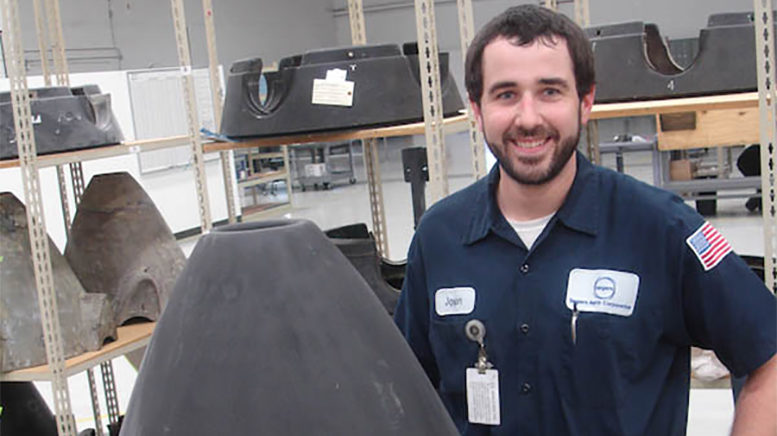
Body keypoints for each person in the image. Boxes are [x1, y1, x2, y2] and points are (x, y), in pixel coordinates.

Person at [394, 5, 777, 435]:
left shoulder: (661, 229)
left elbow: (767, 356)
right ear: (477, 110)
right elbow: (406, 388)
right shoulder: (439, 238)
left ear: (586, 101)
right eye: (506, 94)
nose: (529, 118)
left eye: (550, 91)